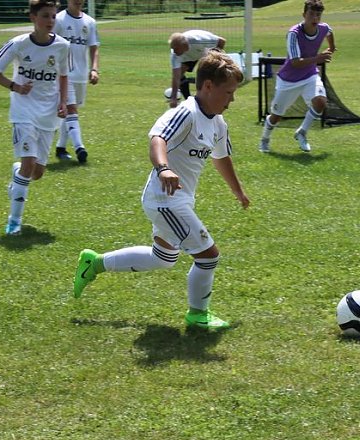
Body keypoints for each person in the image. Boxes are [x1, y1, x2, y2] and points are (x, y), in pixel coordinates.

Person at [74, 50, 250, 330]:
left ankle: (95, 263)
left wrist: (238, 191)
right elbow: (158, 139)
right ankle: (198, 315)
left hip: (179, 200)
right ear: (208, 86)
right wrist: (163, 168)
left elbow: (221, 157)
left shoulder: (218, 123)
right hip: (165, 200)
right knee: (208, 256)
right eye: (228, 92)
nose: (232, 99)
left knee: (163, 258)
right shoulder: (186, 113)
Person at [0, 0, 69, 236]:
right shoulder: (18, 44)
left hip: (48, 113)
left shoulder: (62, 46)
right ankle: (14, 221)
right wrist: (15, 86)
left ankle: (18, 176)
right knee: (28, 163)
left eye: (53, 16)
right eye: (45, 16)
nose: (50, 21)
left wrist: (63, 102)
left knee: (37, 172)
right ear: (33, 18)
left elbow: (64, 76)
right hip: (23, 111)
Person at [258, 0, 335, 154]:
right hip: (288, 80)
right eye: (311, 14)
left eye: (318, 15)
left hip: (310, 75)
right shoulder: (293, 34)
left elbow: (329, 32)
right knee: (276, 116)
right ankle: (265, 139)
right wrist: (318, 58)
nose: (315, 18)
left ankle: (302, 132)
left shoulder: (323, 28)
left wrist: (332, 48)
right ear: (303, 15)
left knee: (320, 102)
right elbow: (295, 62)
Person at [53, 0, 100, 163]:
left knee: (69, 112)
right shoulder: (59, 19)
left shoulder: (90, 22)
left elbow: (94, 48)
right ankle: (80, 148)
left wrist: (94, 69)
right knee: (71, 109)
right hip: (63, 74)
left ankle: (60, 148)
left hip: (81, 74)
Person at [167, 30, 226, 108]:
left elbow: (221, 41)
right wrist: (173, 98)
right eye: (172, 49)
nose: (174, 51)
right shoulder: (175, 55)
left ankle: (211, 96)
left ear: (183, 45)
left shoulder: (198, 40)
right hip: (189, 56)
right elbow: (176, 77)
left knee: (208, 74)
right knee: (180, 75)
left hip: (205, 52)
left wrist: (218, 58)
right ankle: (189, 100)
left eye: (176, 49)